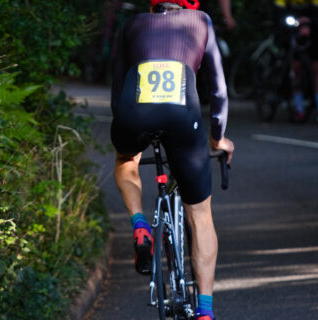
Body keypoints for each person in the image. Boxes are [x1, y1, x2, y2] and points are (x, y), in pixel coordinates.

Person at [110, 1, 234, 319]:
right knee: (201, 215)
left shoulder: (131, 25)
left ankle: (139, 224)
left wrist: (128, 132)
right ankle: (205, 311)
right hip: (184, 119)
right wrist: (217, 138)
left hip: (133, 114)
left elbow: (117, 92)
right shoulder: (201, 21)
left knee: (126, 158)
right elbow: (218, 91)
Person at [274, 0, 318, 121]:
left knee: (315, 68)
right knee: (296, 68)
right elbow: (278, 13)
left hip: (312, 28)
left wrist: (310, 24)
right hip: (291, 27)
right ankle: (299, 108)